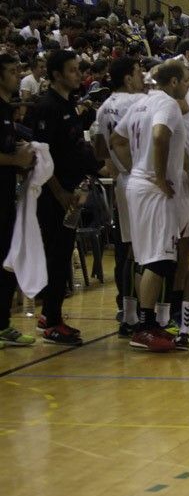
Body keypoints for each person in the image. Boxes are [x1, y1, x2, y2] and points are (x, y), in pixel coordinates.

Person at [111, 60, 189, 353]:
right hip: (153, 191)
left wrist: (135, 170)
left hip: (138, 186)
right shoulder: (167, 105)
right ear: (172, 83)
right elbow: (160, 136)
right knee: (158, 259)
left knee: (149, 257)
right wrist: (156, 175)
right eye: (185, 81)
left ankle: (146, 323)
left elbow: (116, 140)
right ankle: (144, 327)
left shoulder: (139, 104)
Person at [30, 49, 102, 345]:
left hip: (73, 193)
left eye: (77, 70)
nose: (77, 75)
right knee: (57, 256)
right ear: (57, 74)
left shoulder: (69, 104)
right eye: (71, 70)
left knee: (62, 254)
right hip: (53, 196)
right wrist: (59, 192)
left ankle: (52, 314)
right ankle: (51, 320)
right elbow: (41, 156)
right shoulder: (46, 106)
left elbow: (74, 148)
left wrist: (92, 170)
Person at [92, 57, 147, 337]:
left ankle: (128, 312)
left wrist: (113, 167)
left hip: (122, 180)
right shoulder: (136, 103)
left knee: (127, 249)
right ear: (128, 78)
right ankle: (139, 314)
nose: (142, 78)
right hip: (138, 177)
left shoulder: (103, 108)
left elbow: (99, 147)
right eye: (138, 73)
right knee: (141, 251)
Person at [0, 53, 38, 347]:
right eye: (13, 71)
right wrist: (15, 158)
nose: (17, 75)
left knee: (7, 259)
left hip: (6, 194)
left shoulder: (7, 110)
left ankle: (3, 324)